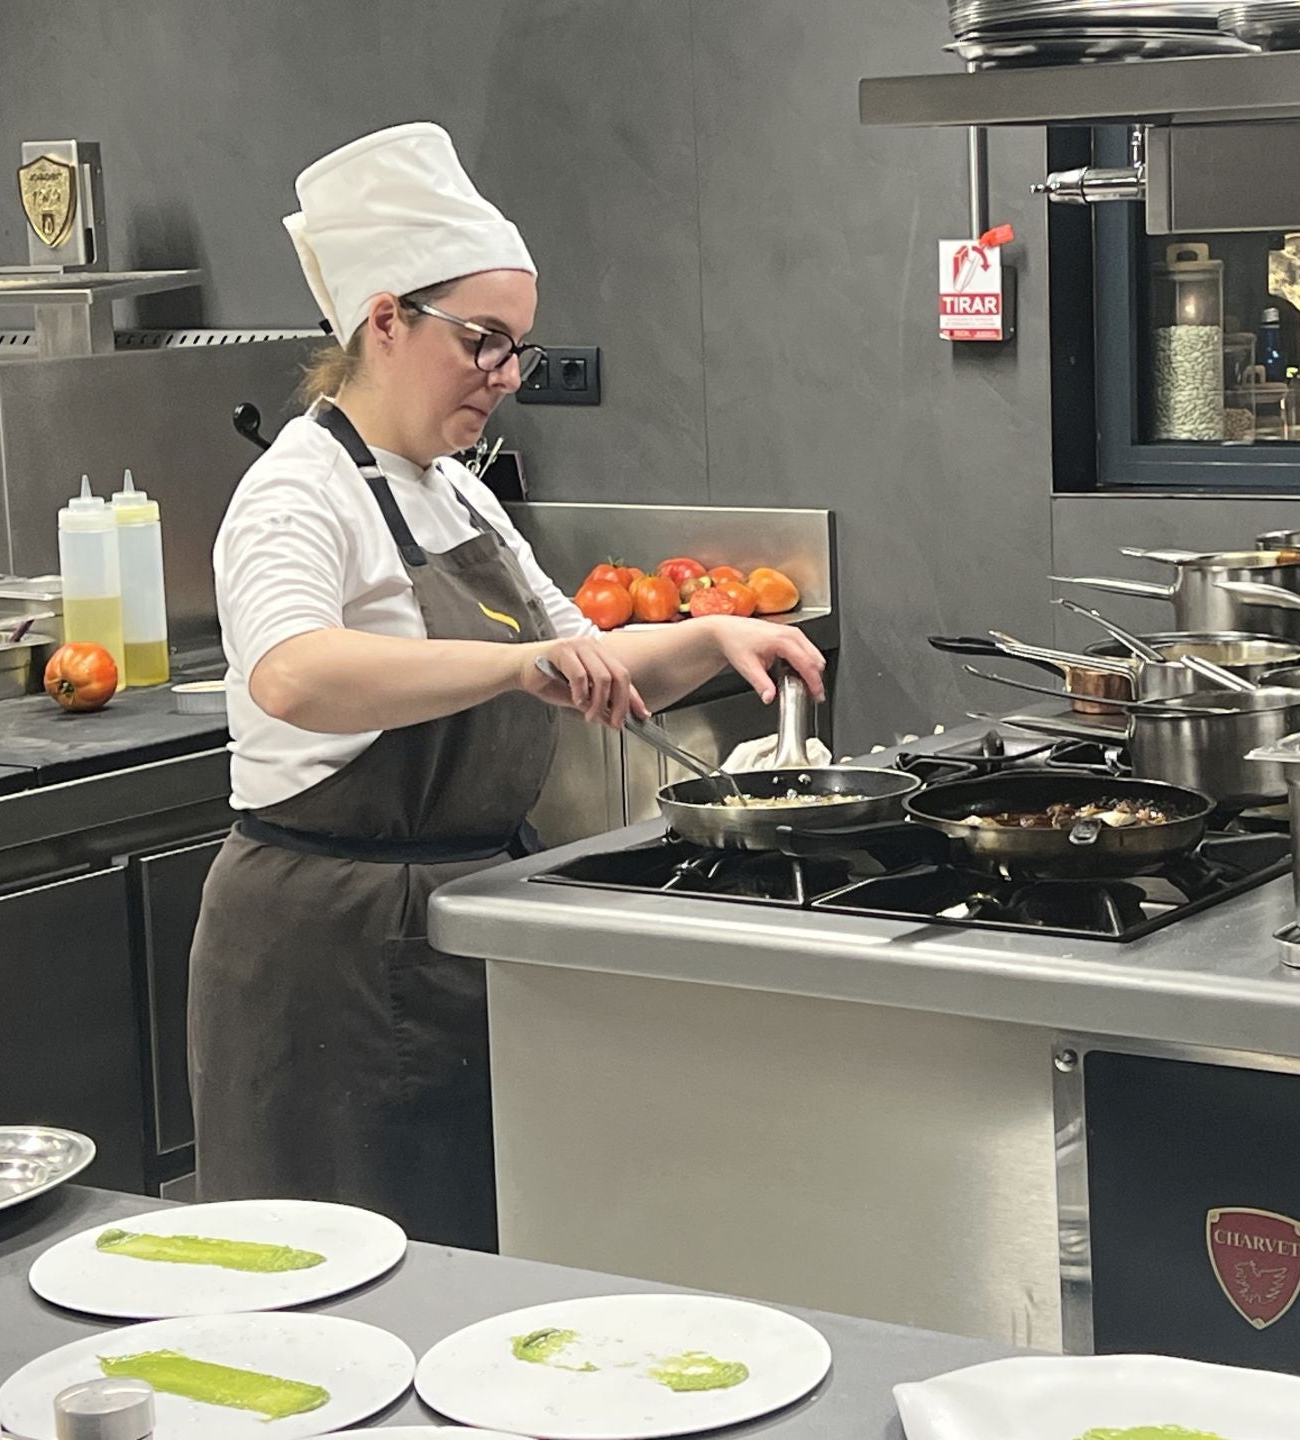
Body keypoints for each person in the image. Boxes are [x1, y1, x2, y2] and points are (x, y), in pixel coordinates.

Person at [187, 122, 824, 1248]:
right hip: (325, 953)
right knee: (340, 1282)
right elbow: (293, 674)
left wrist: (716, 637)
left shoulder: (458, 493)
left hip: (456, 926)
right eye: (483, 341)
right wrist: (513, 665)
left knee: (469, 1260)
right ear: (385, 319)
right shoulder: (297, 493)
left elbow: (580, 653)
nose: (506, 376)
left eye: (517, 349)